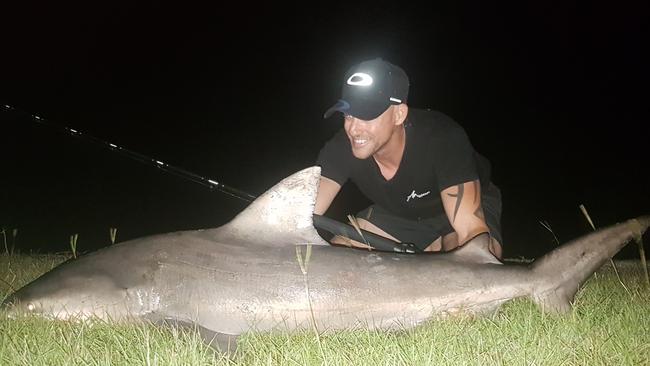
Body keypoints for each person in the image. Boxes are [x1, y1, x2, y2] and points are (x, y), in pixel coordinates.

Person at [314, 57, 503, 259]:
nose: (353, 128)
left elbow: (471, 231)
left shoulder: (442, 138)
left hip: (464, 207)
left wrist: (472, 251)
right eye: (348, 114)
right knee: (340, 258)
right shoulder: (342, 146)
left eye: (367, 115)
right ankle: (428, 245)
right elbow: (302, 209)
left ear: (399, 114)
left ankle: (437, 244)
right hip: (404, 214)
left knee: (468, 263)